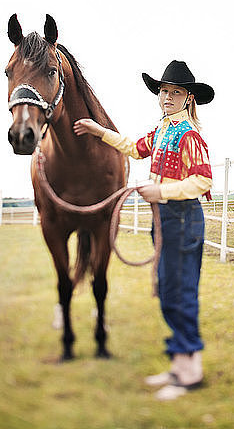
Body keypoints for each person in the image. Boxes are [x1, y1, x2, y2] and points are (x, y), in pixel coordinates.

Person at [73, 60, 214, 400]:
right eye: (164, 91)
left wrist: (162, 192)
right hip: (166, 219)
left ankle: (190, 370)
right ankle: (180, 364)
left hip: (180, 217)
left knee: (179, 292)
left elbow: (203, 180)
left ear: (188, 97)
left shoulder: (189, 136)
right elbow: (135, 148)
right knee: (167, 290)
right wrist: (97, 130)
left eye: (174, 92)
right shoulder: (164, 130)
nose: (167, 97)